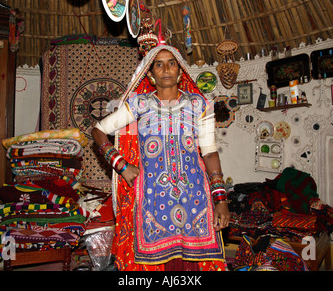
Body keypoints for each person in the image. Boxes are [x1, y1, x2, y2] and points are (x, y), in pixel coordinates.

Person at [91, 45, 230, 271]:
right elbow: (98, 130)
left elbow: (210, 152)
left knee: (194, 266)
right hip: (153, 197)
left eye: (171, 63)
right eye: (159, 64)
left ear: (180, 71)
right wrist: (121, 164)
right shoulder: (139, 104)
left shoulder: (200, 105)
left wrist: (221, 200)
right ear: (150, 73)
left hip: (195, 198)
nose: (166, 69)